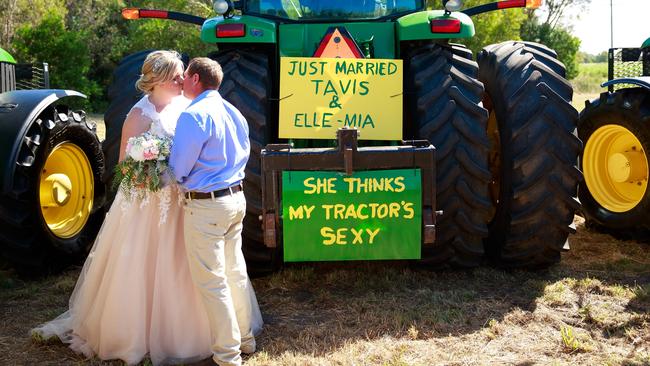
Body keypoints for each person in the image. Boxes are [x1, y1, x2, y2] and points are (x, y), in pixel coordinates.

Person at [32, 51, 216, 365]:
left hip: (179, 200)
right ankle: (137, 332)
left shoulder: (187, 107)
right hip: (145, 203)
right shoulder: (138, 115)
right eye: (175, 76)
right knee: (141, 264)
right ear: (157, 80)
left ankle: (193, 328)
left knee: (181, 262)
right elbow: (123, 167)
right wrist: (146, 177)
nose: (182, 80)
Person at [169, 57, 262, 366]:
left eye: (185, 76)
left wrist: (167, 174)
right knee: (235, 273)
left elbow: (179, 167)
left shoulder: (193, 115)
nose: (181, 81)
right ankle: (246, 339)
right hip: (236, 199)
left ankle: (227, 355)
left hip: (207, 205)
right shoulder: (235, 112)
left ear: (196, 79)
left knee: (213, 282)